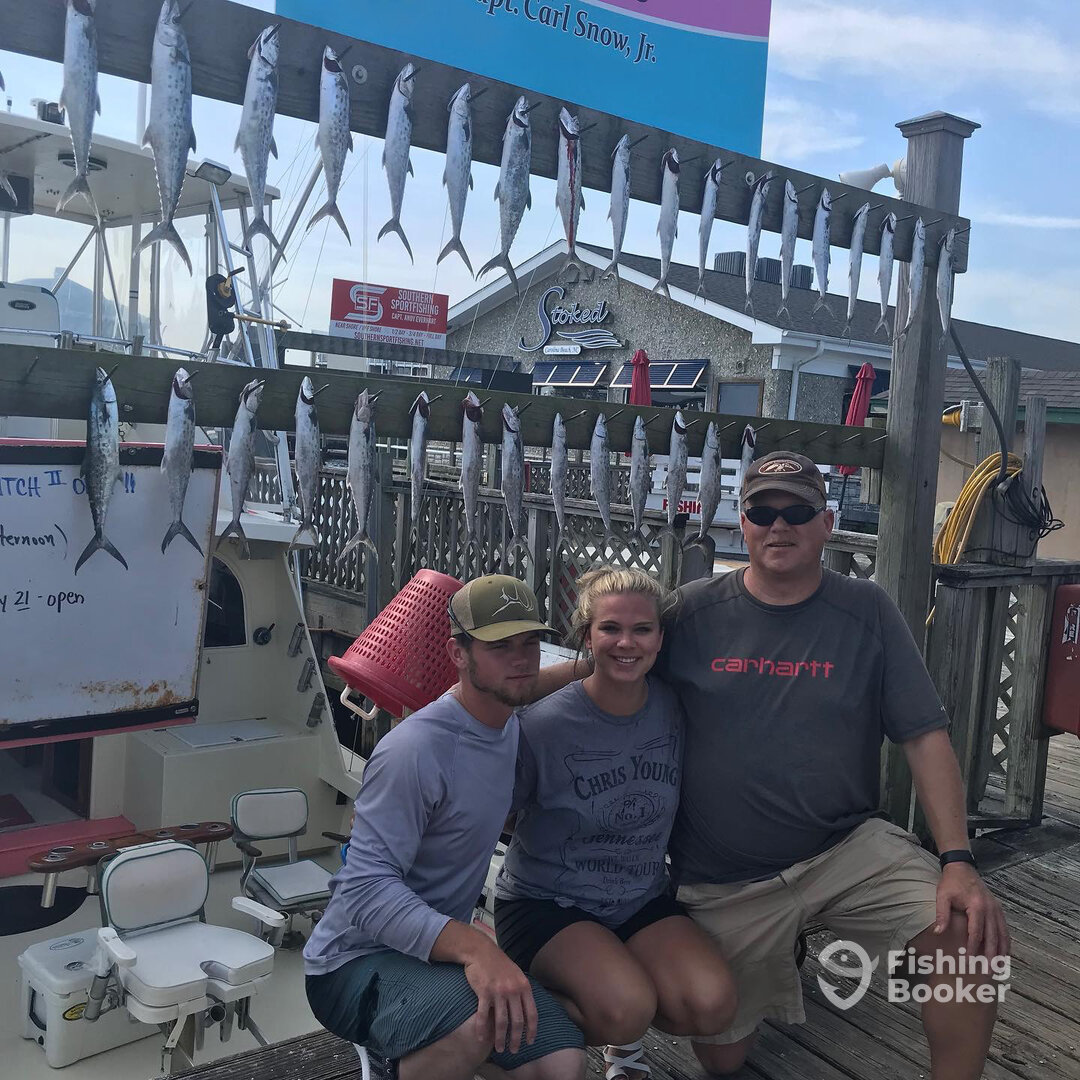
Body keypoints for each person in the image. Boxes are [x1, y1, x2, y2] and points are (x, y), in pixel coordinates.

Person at [535, 451, 1010, 1080]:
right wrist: (492, 694)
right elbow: (612, 661)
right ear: (743, 521)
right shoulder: (691, 610)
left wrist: (958, 861)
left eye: (797, 511)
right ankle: (766, 956)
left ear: (826, 523)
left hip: (844, 848)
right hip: (726, 878)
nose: (778, 525)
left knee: (968, 936)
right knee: (720, 1054)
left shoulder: (867, 609)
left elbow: (925, 736)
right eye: (762, 512)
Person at [304, 575, 586, 1080]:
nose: (520, 659)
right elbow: (365, 892)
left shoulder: (505, 716)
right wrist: (478, 949)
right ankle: (393, 1062)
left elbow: (527, 682)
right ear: (458, 653)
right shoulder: (415, 750)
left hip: (435, 955)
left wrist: (596, 662)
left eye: (529, 643)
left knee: (561, 1065)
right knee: (477, 1023)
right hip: (353, 961)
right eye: (500, 646)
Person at [494, 568, 736, 1080]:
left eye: (642, 630)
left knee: (710, 1004)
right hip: (547, 903)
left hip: (639, 897)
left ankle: (612, 999)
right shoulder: (542, 727)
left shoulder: (674, 708)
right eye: (610, 629)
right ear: (587, 636)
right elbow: (489, 818)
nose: (627, 643)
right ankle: (498, 1023)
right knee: (626, 1009)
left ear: (660, 639)